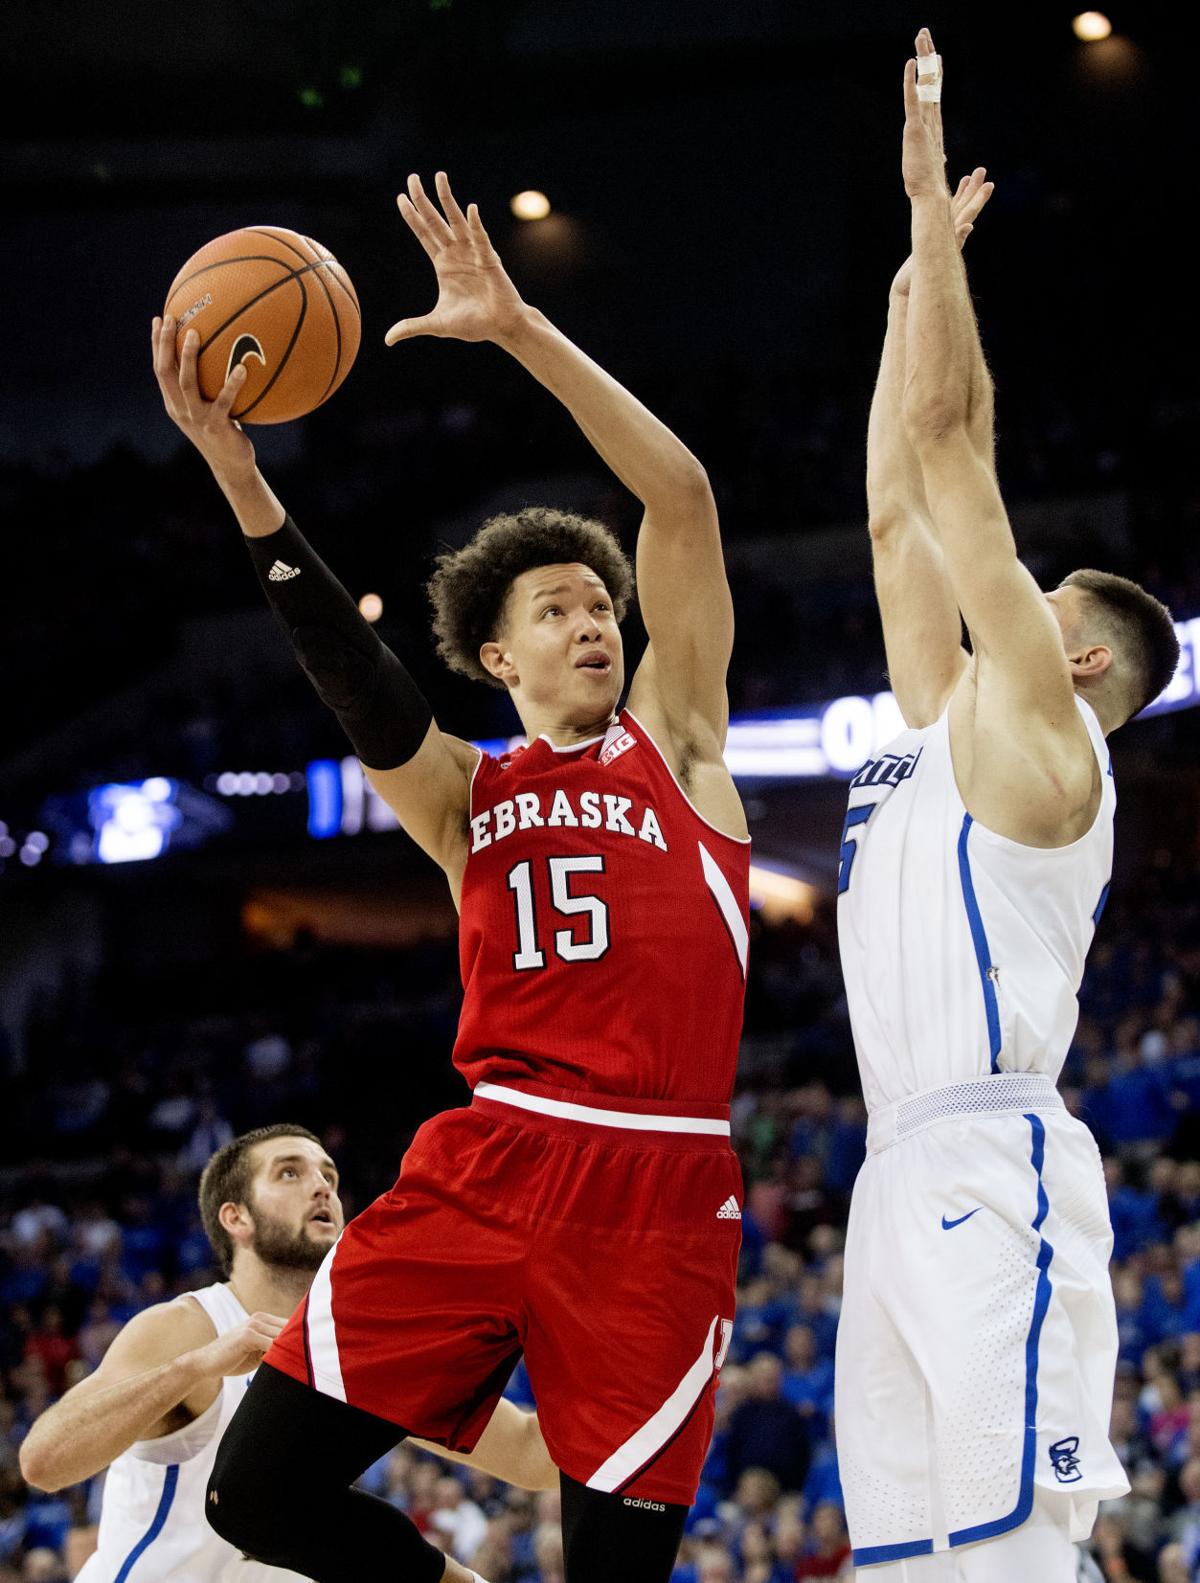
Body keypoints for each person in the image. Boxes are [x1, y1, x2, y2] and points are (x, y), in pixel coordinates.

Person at [151, 170, 749, 1583]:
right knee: (258, 1495)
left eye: (603, 605)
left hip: (654, 1190)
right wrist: (243, 477)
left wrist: (523, 329)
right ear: (500, 657)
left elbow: (683, 493)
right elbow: (359, 688)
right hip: (489, 1156)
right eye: (559, 609)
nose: (594, 621)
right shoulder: (470, 794)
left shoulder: (679, 745)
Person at [833, 28, 1181, 1582]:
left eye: (1033, 594)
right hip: (889, 1169)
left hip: (994, 1166)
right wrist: (914, 296)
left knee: (1024, 1552)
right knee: (913, 1562)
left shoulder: (1049, 740)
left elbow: (948, 445)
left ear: (1078, 645)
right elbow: (896, 503)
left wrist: (923, 210)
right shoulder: (933, 727)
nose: (1003, 590)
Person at [18, 1125, 553, 1580]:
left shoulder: (357, 1345)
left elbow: (529, 1457)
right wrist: (199, 1366)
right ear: (236, 1218)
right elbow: (43, 1462)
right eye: (289, 1173)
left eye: (330, 1177)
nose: (321, 1187)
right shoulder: (189, 1326)